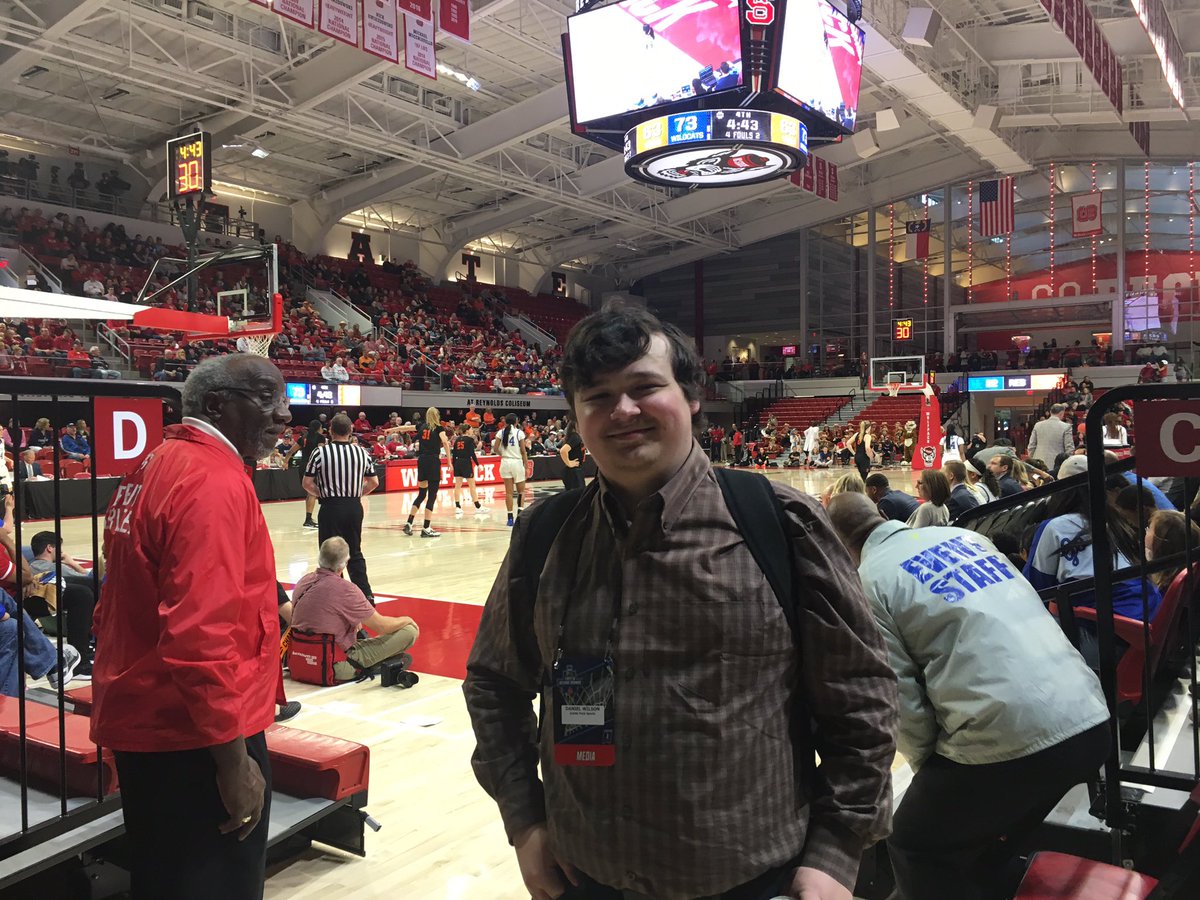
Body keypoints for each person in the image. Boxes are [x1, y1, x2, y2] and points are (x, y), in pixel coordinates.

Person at [464, 305, 898, 900]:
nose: (622, 410)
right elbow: (494, 683)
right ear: (576, 416)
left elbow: (861, 696)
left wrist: (836, 850)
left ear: (692, 397)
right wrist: (526, 821)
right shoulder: (545, 534)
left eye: (644, 387)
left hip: (753, 881)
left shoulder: (778, 521)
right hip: (583, 877)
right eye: (597, 396)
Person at [826, 493, 1111, 900]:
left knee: (911, 840)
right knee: (976, 845)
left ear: (837, 545)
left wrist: (929, 771)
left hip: (1016, 740)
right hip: (1091, 718)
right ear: (884, 514)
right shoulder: (967, 539)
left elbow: (899, 699)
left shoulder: (868, 583)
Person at [90, 354, 289, 900]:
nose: (284, 414)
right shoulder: (212, 481)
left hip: (149, 718)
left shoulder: (152, 464)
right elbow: (199, 635)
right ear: (216, 405)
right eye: (266, 398)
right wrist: (233, 761)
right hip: (194, 735)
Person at [289, 537, 419, 682]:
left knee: (354, 628)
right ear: (345, 563)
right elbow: (382, 626)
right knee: (410, 631)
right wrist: (406, 620)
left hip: (298, 660)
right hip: (334, 665)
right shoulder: (346, 589)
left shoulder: (304, 581)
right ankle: (372, 663)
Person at [302, 414, 378, 602]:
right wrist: (357, 494)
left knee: (330, 555)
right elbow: (374, 482)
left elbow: (307, 483)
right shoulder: (361, 452)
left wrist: (322, 493)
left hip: (330, 507)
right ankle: (366, 596)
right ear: (351, 430)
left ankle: (334, 596)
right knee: (355, 552)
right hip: (353, 506)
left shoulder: (320, 453)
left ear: (330, 431)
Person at [28, 530, 96, 676]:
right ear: (50, 548)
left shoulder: (30, 566)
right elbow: (88, 578)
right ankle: (90, 646)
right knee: (91, 589)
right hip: (62, 617)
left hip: (49, 622)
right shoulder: (55, 568)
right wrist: (72, 563)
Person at [404, 407, 453, 538]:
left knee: (421, 494)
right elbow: (445, 442)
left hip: (422, 461)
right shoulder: (438, 428)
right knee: (432, 496)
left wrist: (391, 430)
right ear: (437, 416)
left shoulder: (422, 426)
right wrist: (449, 461)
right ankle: (426, 527)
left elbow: (405, 428)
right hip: (433, 461)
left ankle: (409, 522)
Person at [493, 413, 528, 528]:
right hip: (516, 462)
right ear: (516, 421)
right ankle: (520, 515)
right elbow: (523, 451)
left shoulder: (501, 432)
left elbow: (495, 448)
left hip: (505, 462)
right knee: (521, 491)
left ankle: (510, 518)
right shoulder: (519, 432)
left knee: (508, 492)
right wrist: (526, 466)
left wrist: (503, 454)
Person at [288, 421, 325, 528]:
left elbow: (291, 451)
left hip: (303, 466)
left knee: (310, 493)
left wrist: (285, 462)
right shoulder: (320, 438)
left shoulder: (303, 437)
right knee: (312, 493)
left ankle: (308, 518)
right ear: (318, 428)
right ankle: (308, 519)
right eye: (321, 427)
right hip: (314, 466)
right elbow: (321, 452)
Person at [450, 423, 487, 519]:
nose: (472, 430)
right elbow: (472, 454)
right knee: (472, 486)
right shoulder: (470, 440)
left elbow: (454, 454)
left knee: (457, 486)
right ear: (466, 430)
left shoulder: (457, 440)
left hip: (457, 462)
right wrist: (478, 464)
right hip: (466, 463)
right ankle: (478, 506)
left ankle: (458, 507)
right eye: (470, 429)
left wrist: (453, 465)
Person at [1026, 403, 1074, 469]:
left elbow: (1031, 446)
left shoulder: (1038, 425)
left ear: (1050, 412)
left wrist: (1033, 461)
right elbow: (1069, 448)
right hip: (1057, 464)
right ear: (1062, 413)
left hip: (1038, 463)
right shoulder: (1066, 427)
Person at [559, 417, 585, 491]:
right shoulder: (575, 437)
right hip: (574, 472)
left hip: (571, 472)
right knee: (579, 494)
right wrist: (569, 463)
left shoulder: (571, 436)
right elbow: (563, 450)